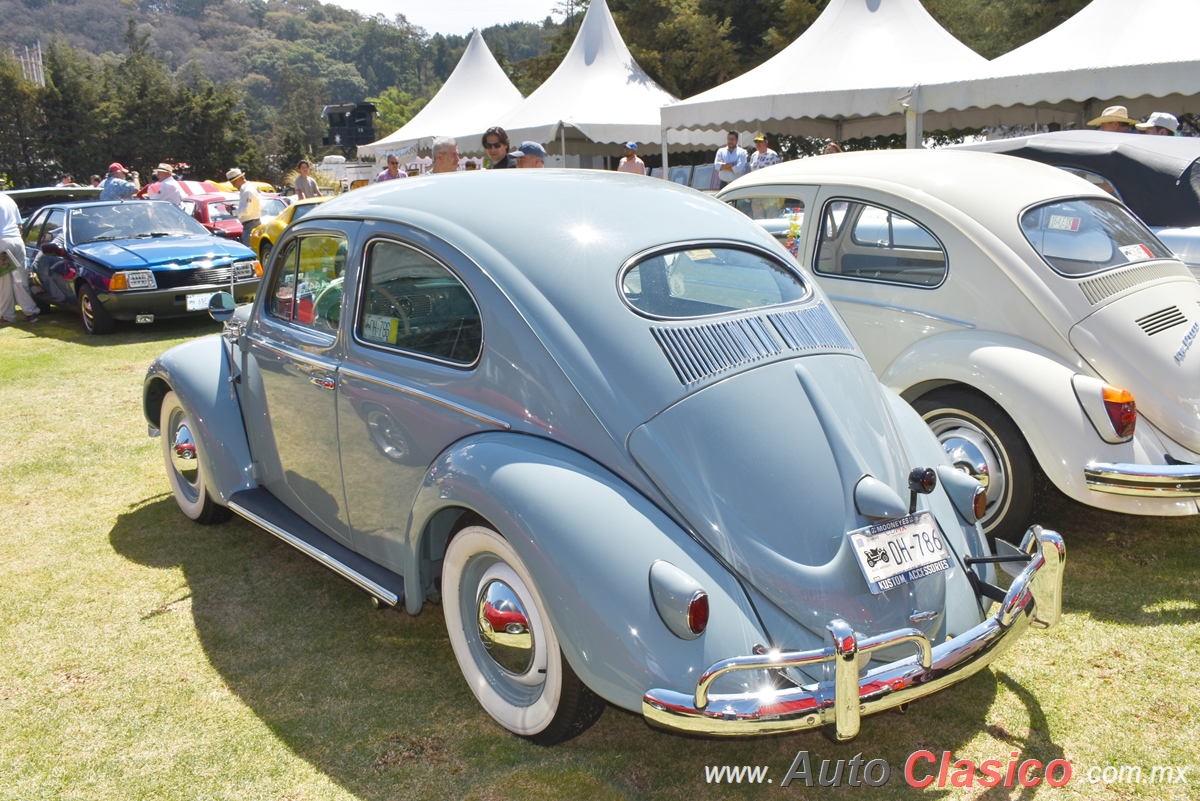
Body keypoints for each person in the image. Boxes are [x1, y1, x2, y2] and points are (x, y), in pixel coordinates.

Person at [0, 192, 40, 324]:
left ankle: (7, 316)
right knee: (20, 279)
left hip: (2, 241)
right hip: (17, 240)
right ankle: (31, 312)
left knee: (4, 282)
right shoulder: (8, 199)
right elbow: (20, 226)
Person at [227, 168, 261, 247]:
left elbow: (246, 211)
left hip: (251, 225)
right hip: (251, 224)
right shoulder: (246, 189)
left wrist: (233, 212)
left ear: (239, 179)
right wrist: (236, 209)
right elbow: (247, 208)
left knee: (249, 250)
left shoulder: (247, 191)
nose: (234, 186)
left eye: (233, 183)